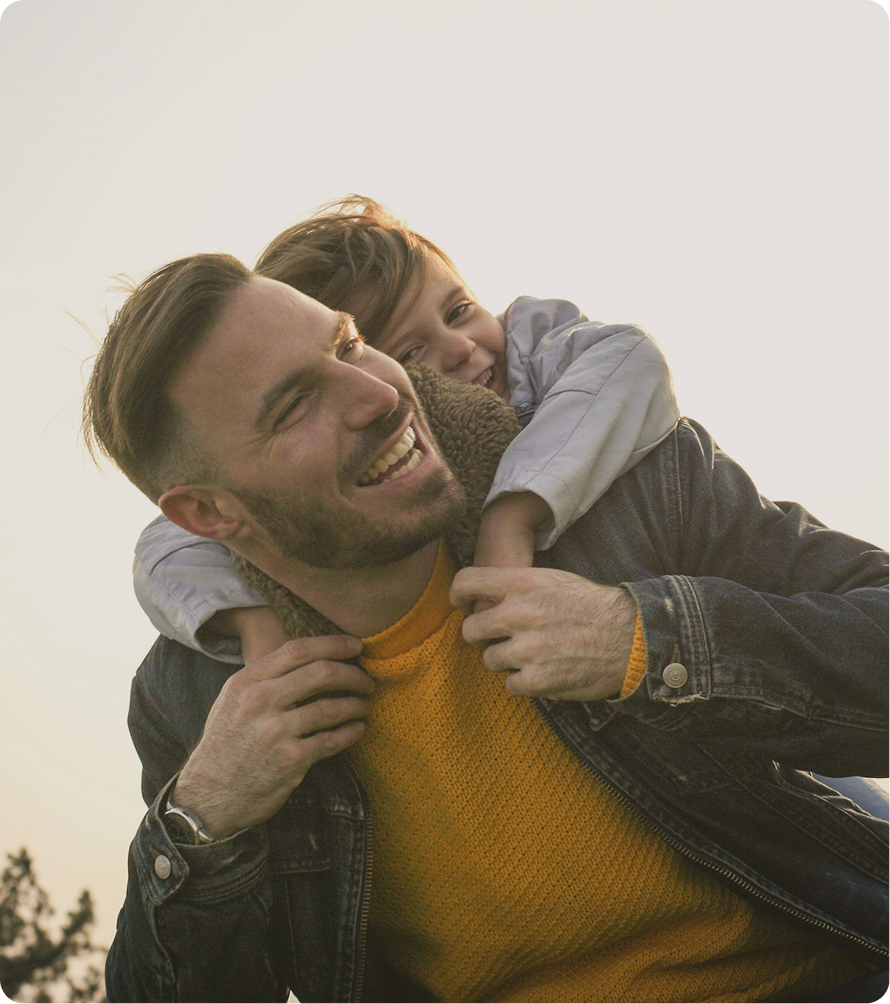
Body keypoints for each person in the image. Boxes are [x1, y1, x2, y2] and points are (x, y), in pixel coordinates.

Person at [85, 254, 889, 1004]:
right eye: (296, 405)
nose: (380, 393)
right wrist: (201, 821)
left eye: (351, 344)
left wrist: (648, 639)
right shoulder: (192, 702)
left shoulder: (637, 493)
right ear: (209, 513)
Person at [133, 197, 680, 666]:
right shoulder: (188, 685)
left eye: (460, 310)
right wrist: (254, 624)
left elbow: (627, 358)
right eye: (412, 351)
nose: (462, 347)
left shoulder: (539, 352)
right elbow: (165, 544)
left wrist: (513, 515)